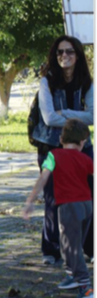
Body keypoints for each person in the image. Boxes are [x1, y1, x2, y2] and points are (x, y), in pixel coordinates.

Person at [31, 35, 94, 266]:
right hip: (51, 146)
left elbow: (93, 116)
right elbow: (48, 118)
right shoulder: (46, 82)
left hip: (81, 147)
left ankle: (90, 247)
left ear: (77, 55)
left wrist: (64, 113)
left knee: (88, 196)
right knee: (53, 197)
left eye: (69, 51)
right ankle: (51, 250)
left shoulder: (86, 82)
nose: (64, 56)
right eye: (60, 52)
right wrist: (78, 118)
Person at [23, 119, 93, 298]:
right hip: (87, 206)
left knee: (71, 247)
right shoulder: (86, 159)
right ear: (82, 142)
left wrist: (30, 201)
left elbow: (43, 178)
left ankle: (86, 287)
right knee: (71, 243)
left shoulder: (53, 156)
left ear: (61, 139)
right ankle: (72, 276)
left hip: (69, 207)